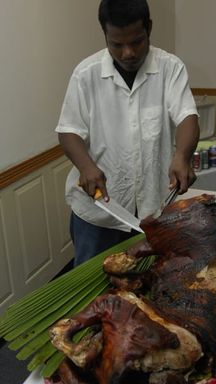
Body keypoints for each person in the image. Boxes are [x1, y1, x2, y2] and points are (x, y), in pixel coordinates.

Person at [56, 0, 200, 266]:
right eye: (116, 44)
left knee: (146, 284)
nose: (128, 53)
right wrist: (86, 167)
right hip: (98, 212)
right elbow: (68, 131)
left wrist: (182, 156)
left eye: (137, 41)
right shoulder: (85, 74)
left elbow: (187, 116)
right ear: (105, 36)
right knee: (91, 291)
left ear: (149, 29)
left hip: (151, 210)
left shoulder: (170, 68)